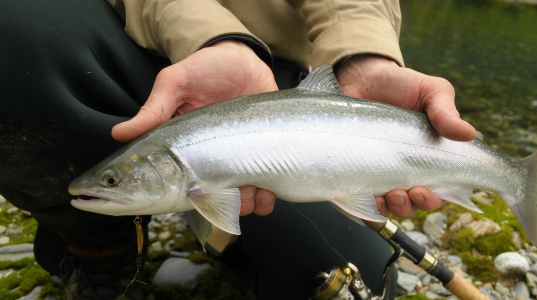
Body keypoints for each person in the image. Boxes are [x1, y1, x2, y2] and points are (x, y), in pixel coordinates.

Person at [0, 0, 476, 299]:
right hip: (124, 35)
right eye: (113, 179)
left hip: (294, 77)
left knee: (347, 284)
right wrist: (209, 38)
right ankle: (97, 246)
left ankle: (214, 236)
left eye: (111, 179)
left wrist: (361, 52)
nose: (108, 181)